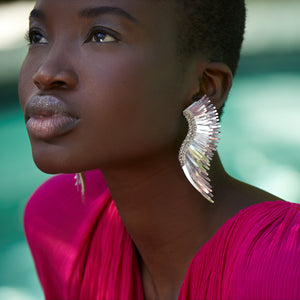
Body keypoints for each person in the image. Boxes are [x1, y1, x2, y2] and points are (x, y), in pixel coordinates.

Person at [19, 0, 300, 299]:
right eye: (38, 36)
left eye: (102, 35)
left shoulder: (286, 264)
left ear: (206, 86)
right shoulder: (61, 221)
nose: (45, 72)